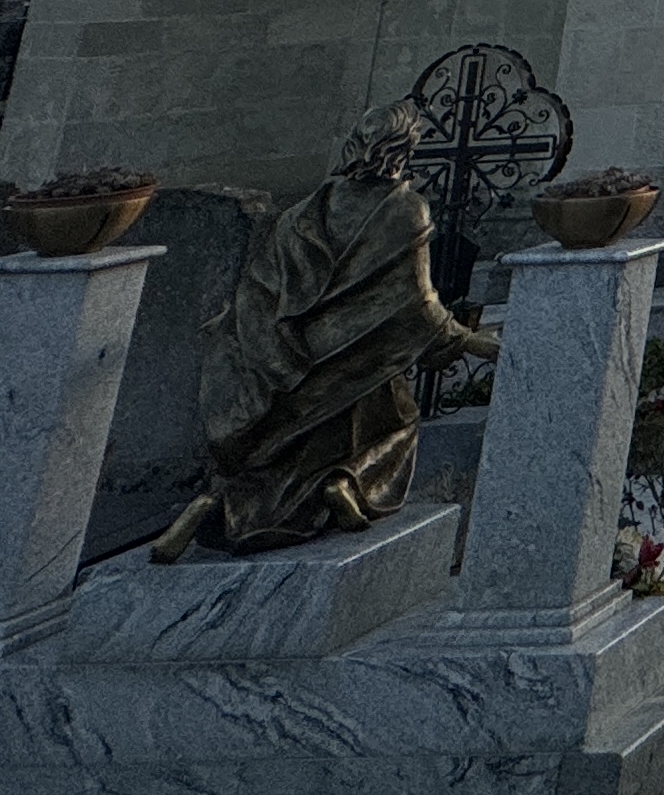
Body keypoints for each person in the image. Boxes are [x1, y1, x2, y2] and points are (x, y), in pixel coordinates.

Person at [154, 101, 500, 559]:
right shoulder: (404, 210)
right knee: (398, 421)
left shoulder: (304, 212)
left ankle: (215, 503)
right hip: (355, 362)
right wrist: (469, 340)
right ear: (403, 149)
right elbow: (416, 302)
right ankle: (348, 482)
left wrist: (240, 332)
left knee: (277, 455)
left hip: (291, 361)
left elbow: (262, 287)